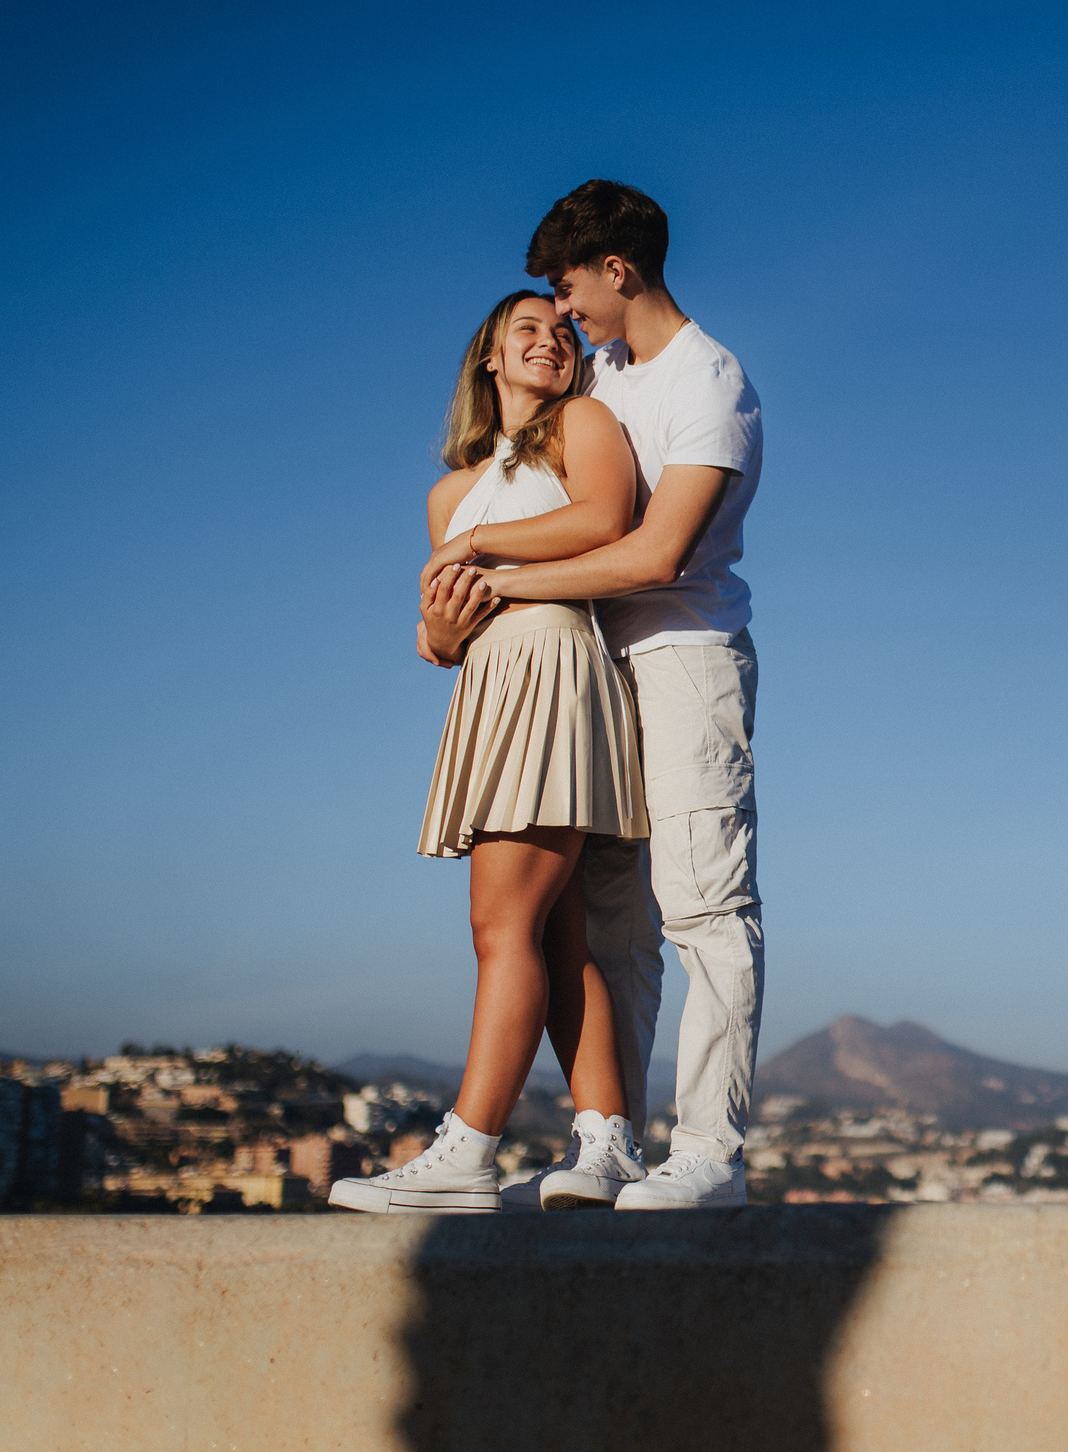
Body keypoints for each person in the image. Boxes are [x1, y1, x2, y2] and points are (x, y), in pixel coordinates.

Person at [457, 180, 766, 1211]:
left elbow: (658, 550)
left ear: (616, 270)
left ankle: (712, 1151)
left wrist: (500, 578)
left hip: (682, 656)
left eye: (568, 286)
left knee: (704, 902)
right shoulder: (607, 377)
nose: (565, 308)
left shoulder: (708, 383)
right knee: (608, 926)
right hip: (594, 678)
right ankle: (612, 1145)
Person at [328, 292, 649, 1214]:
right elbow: (449, 627)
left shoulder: (581, 424)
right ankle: (606, 1139)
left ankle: (468, 1148)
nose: (551, 341)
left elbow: (603, 521)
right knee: (553, 930)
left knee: (498, 925)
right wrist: (434, 628)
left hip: (555, 665)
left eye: (561, 331)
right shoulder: (446, 491)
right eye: (527, 332)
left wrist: (476, 542)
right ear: (489, 361)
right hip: (493, 684)